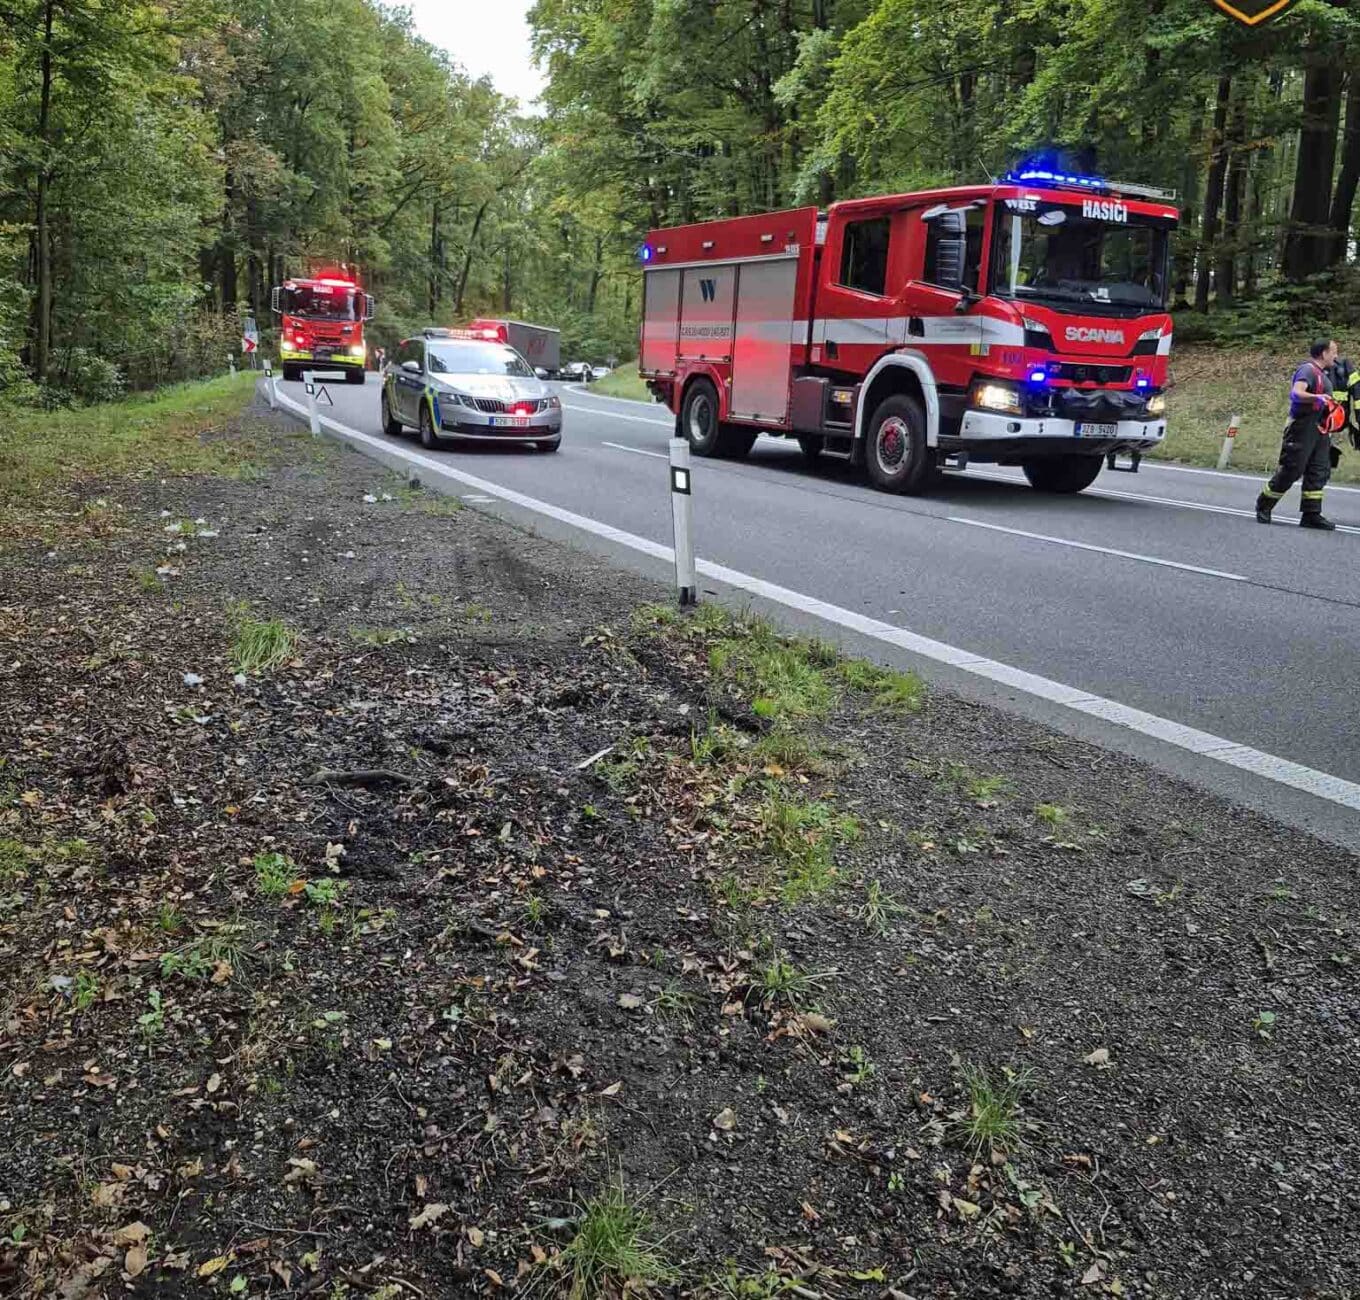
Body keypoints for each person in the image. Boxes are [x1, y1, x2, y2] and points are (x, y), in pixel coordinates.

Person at [1255, 339, 1340, 530]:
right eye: (1334, 352)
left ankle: (1311, 515)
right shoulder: (1307, 370)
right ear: (1324, 353)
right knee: (1293, 468)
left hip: (1319, 430)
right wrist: (1317, 397)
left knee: (1318, 471)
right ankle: (1264, 505)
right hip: (1302, 427)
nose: (1336, 356)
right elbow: (1296, 393)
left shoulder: (1324, 375)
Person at [1327, 349, 1360, 450]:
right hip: (1325, 422)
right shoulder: (1315, 368)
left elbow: (1357, 394)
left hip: (1340, 420)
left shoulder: (1345, 365)